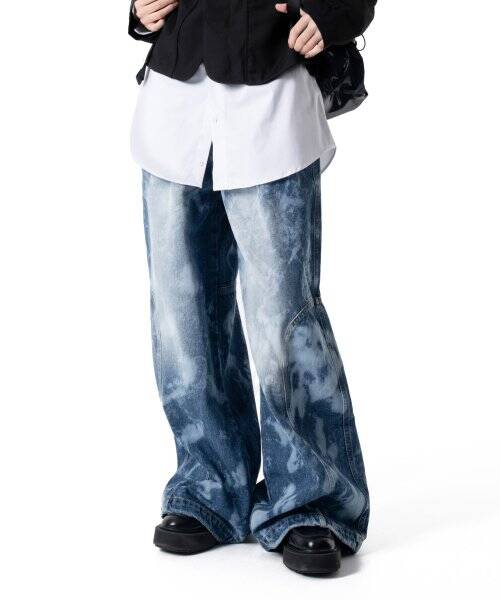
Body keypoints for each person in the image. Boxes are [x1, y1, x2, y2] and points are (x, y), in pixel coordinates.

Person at [128, 0, 376, 575]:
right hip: (174, 105)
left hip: (272, 96)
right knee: (181, 316)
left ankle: (313, 501)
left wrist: (331, 14)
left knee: (284, 318)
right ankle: (209, 487)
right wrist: (138, 10)